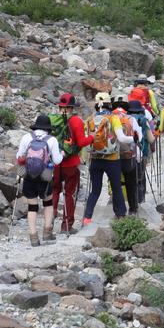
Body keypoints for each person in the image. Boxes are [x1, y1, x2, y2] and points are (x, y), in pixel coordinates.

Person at [82, 92, 134, 226]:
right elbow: (122, 138)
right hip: (112, 159)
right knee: (116, 187)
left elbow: (86, 140)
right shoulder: (113, 118)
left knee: (96, 189)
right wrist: (134, 139)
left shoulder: (89, 119)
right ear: (108, 104)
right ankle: (121, 216)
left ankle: (87, 218)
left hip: (95, 158)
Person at [16, 114, 65, 246]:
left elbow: (19, 156)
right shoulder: (52, 140)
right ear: (48, 128)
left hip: (29, 176)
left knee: (32, 206)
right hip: (45, 177)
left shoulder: (27, 137)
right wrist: (62, 154)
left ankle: (33, 237)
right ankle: (47, 233)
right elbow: (57, 161)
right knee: (47, 203)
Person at [48, 93, 94, 235]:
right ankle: (66, 225)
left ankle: (49, 223)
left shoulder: (52, 120)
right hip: (71, 163)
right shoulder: (76, 121)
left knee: (54, 191)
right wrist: (91, 138)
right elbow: (81, 142)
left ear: (60, 106)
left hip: (55, 163)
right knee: (69, 194)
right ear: (72, 107)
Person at [112, 96, 142, 216]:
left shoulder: (109, 118)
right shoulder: (131, 119)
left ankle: (118, 211)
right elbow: (139, 137)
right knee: (131, 184)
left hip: (113, 157)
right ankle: (133, 209)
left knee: (116, 185)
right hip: (129, 156)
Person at [127, 99, 152, 205]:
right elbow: (151, 139)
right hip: (142, 151)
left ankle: (131, 200)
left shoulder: (125, 119)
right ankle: (141, 198)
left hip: (127, 153)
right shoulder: (143, 120)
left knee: (130, 176)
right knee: (141, 175)